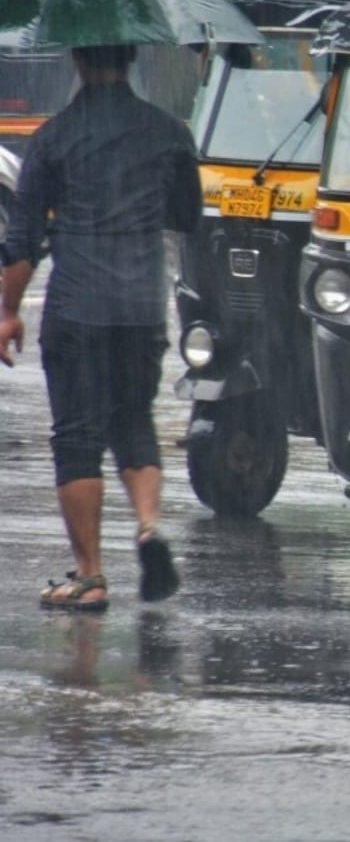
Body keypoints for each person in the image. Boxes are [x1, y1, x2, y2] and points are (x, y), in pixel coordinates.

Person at [0, 44, 199, 611]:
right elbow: (187, 217)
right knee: (133, 421)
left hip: (78, 305)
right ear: (134, 56)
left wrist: (8, 312)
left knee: (78, 437)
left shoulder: (55, 137)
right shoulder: (168, 132)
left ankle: (89, 577)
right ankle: (145, 525)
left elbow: (20, 242)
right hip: (141, 307)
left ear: (77, 60)